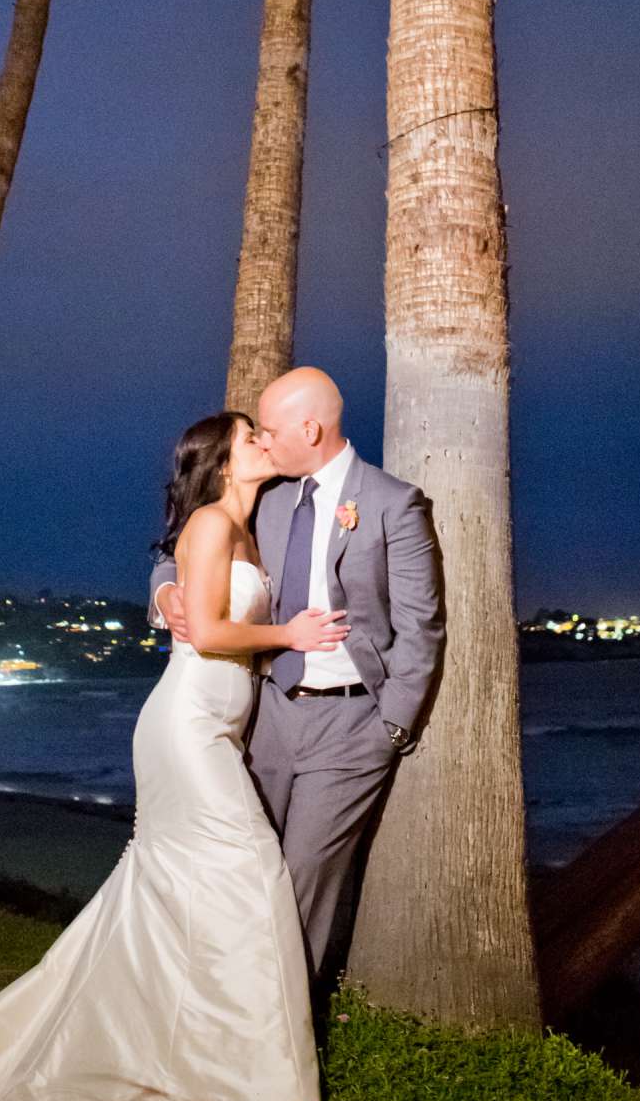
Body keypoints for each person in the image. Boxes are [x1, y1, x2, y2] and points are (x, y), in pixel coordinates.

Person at [0, 410, 343, 1101]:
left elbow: (201, 605)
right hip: (186, 728)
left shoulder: (247, 523)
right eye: (250, 438)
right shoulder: (210, 524)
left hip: (217, 727)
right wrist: (288, 633)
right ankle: (251, 1079)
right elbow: (208, 632)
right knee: (253, 870)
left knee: (158, 897)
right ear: (222, 460)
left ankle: (144, 1060)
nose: (263, 443)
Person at [151, 367, 444, 1002]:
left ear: (309, 429)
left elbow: (422, 625)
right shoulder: (271, 496)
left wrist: (392, 725)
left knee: (306, 879)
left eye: (270, 430)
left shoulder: (395, 503)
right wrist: (167, 591)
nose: (261, 439)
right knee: (244, 873)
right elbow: (183, 547)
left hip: (351, 727)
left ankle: (283, 1037)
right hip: (264, 717)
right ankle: (220, 1012)